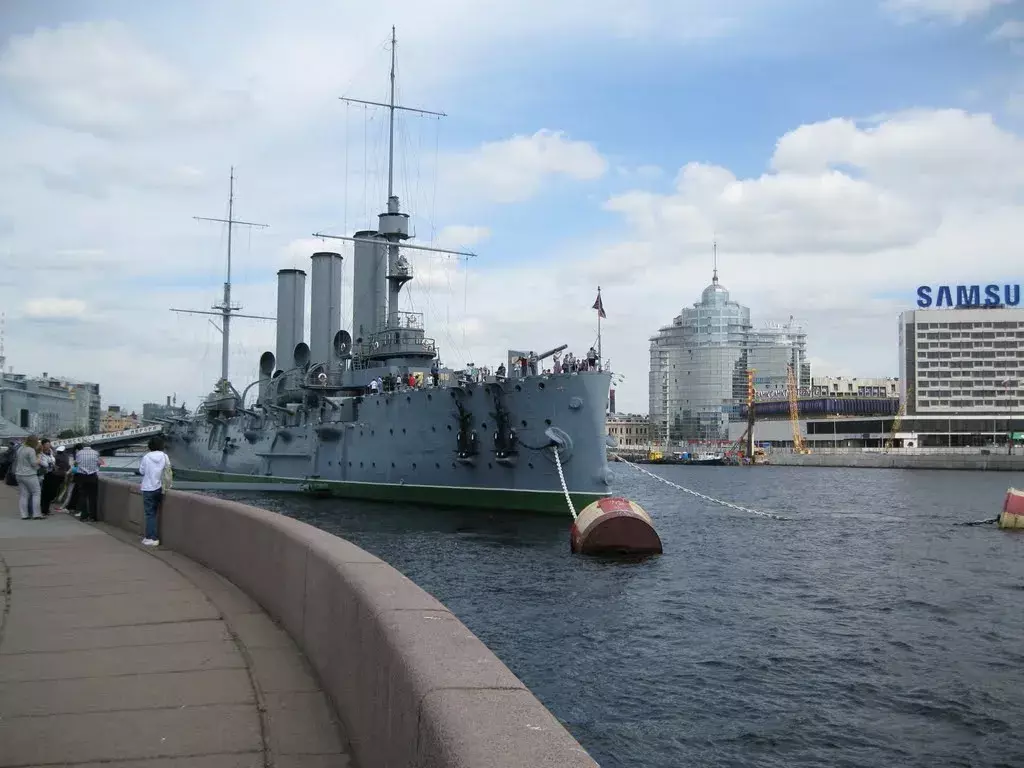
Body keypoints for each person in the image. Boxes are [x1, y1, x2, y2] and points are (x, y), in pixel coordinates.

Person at [138, 436, 169, 546]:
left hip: (148, 488)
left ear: (150, 446)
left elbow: (141, 471)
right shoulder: (165, 456)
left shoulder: (146, 457)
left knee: (149, 514)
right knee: (155, 513)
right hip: (159, 488)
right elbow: (167, 470)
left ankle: (152, 538)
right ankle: (150, 537)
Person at [14, 435, 43, 520]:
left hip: (19, 474)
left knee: (24, 495)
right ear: (34, 441)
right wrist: (39, 458)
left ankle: (24, 515)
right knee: (36, 493)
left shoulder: (20, 449)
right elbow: (34, 463)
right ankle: (36, 514)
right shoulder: (30, 450)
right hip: (29, 475)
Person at [74, 442, 103, 522]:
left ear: (83, 446)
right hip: (92, 476)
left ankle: (84, 516)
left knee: (83, 496)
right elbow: (99, 463)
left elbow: (76, 464)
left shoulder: (79, 453)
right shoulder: (96, 453)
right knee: (93, 497)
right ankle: (93, 517)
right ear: (90, 446)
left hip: (82, 476)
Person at [38, 439, 57, 516]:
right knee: (44, 492)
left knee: (50, 492)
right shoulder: (40, 453)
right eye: (46, 444)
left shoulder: (51, 452)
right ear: (43, 445)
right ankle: (44, 509)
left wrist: (52, 464)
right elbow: (43, 463)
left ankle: (47, 508)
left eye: (49, 444)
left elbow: (53, 461)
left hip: (51, 473)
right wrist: (50, 464)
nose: (48, 446)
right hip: (44, 474)